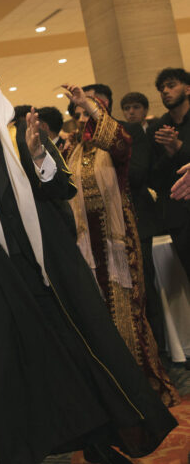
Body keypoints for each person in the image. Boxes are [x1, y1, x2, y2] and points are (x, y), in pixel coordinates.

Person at [0, 71, 176, 464]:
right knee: (13, 367)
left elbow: (62, 188)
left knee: (79, 353)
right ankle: (25, 460)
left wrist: (40, 156)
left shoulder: (25, 137)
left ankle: (99, 444)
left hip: (49, 272)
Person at [64, 85, 177, 405]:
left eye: (89, 111)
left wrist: (92, 105)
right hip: (86, 245)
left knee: (128, 310)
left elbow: (118, 142)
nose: (83, 117)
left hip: (117, 240)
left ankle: (142, 384)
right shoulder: (72, 152)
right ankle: (112, 389)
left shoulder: (117, 143)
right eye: (79, 113)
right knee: (95, 315)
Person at [149, 67, 190, 278]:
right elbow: (153, 177)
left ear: (188, 89)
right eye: (161, 88)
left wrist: (179, 147)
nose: (165, 91)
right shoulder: (158, 127)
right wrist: (170, 152)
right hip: (179, 216)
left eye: (171, 85)